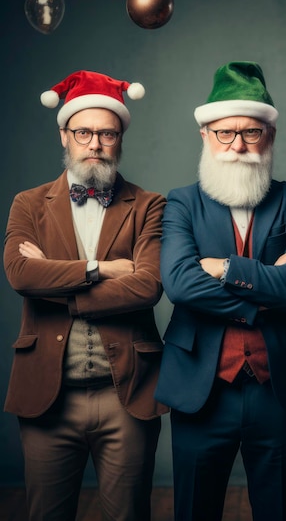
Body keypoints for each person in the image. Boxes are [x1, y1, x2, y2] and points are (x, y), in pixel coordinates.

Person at [3, 70, 167, 520]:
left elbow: (148, 285)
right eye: (84, 132)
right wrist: (102, 269)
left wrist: (58, 286)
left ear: (119, 139)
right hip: (48, 397)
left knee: (129, 514)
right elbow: (20, 274)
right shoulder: (28, 204)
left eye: (107, 134)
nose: (95, 143)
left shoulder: (149, 205)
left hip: (127, 394)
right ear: (64, 135)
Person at [154, 61, 286, 521]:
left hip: (277, 386)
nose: (238, 144)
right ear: (205, 136)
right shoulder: (182, 201)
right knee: (194, 510)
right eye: (225, 133)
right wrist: (266, 287)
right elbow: (181, 283)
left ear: (270, 136)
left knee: (278, 509)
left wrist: (223, 268)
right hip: (200, 384)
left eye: (251, 132)